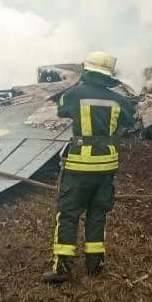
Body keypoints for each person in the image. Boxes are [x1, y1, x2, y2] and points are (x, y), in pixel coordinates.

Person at [43, 51, 138, 284]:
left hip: (78, 166)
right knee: (98, 214)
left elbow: (61, 109)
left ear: (87, 71)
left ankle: (62, 268)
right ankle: (95, 265)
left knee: (68, 214)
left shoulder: (74, 94)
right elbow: (132, 119)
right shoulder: (120, 100)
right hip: (106, 167)